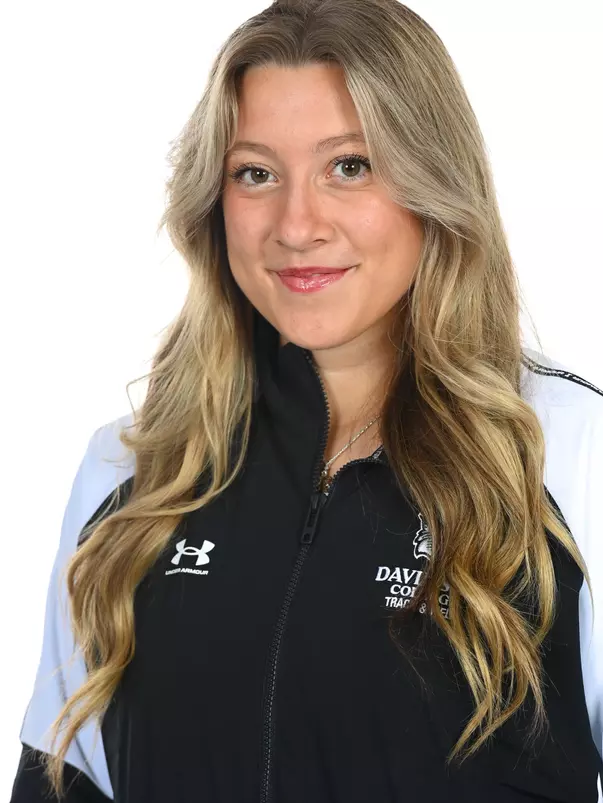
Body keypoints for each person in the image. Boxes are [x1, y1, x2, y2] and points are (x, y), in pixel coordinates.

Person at [10, 0, 603, 801]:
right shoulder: (134, 471)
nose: (296, 225)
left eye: (349, 166)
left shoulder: (570, 457)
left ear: (434, 184)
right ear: (212, 204)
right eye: (255, 173)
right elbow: (63, 782)